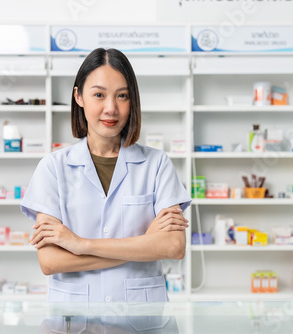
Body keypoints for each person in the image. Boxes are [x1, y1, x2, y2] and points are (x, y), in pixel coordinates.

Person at [21, 48, 192, 303]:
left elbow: (174, 247)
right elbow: (50, 261)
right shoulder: (53, 167)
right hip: (76, 319)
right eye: (99, 94)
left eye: (122, 96)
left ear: (132, 100)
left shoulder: (156, 164)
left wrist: (81, 245)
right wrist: (145, 243)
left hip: (140, 320)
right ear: (78, 96)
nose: (111, 108)